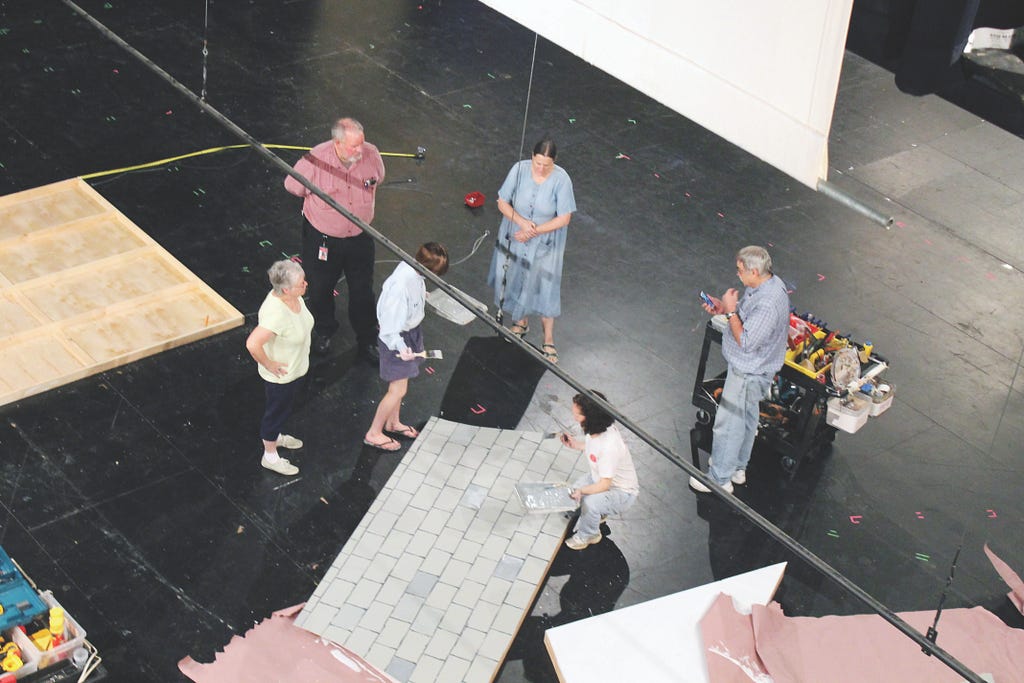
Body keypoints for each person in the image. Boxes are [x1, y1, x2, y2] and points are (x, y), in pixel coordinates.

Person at [284, 117, 385, 364]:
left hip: (360, 238)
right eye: (353, 146)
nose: (360, 151)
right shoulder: (315, 160)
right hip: (323, 239)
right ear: (337, 143)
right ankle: (324, 330)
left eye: (361, 144)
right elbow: (292, 185)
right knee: (320, 288)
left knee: (363, 291)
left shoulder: (371, 155)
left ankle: (368, 338)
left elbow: (378, 178)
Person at [690, 245, 790, 494]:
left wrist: (732, 310)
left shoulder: (768, 302)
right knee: (746, 417)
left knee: (728, 424)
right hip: (754, 371)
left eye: (740, 270)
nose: (738, 275)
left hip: (748, 372)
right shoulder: (766, 284)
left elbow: (746, 342)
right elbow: (746, 320)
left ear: (754, 271)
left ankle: (719, 479)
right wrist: (724, 310)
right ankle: (736, 467)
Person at [487, 138, 576, 364]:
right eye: (537, 162)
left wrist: (534, 231)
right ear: (532, 157)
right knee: (516, 277)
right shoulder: (519, 169)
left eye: (546, 164)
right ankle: (521, 321)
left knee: (544, 285)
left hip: (545, 242)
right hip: (516, 235)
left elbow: (564, 217)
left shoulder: (561, 179)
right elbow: (502, 201)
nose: (541, 168)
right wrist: (522, 223)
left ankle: (548, 339)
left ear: (554, 162)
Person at [363, 243, 450, 451]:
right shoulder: (400, 286)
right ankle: (374, 433)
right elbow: (389, 326)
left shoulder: (413, 271)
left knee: (401, 387)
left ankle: (393, 423)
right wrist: (401, 348)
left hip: (410, 332)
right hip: (398, 339)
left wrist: (422, 296)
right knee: (397, 389)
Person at [245, 260, 314, 476]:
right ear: (286, 289)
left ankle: (275, 436)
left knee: (283, 410)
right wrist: (269, 364)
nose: (306, 285)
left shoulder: (294, 297)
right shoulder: (276, 314)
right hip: (282, 378)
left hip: (296, 369)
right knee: (275, 413)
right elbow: (252, 343)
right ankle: (270, 455)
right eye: (301, 283)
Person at [560, 391, 639, 550]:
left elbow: (604, 485)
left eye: (577, 414)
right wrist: (576, 445)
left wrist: (582, 491)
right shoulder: (599, 429)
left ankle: (589, 535)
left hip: (622, 492)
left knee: (589, 503)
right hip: (601, 480)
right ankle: (597, 514)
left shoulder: (609, 447)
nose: (574, 416)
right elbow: (593, 446)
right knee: (574, 490)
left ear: (590, 417)